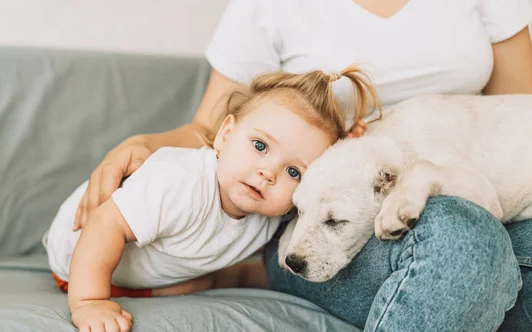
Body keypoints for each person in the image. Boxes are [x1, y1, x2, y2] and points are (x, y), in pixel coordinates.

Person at [73, 1, 532, 331]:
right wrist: (144, 144)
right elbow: (215, 128)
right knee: (465, 243)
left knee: (492, 256)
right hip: (341, 213)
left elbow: (517, 113)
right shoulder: (269, 7)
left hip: (473, 183)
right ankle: (269, 267)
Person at [44, 66, 379, 332]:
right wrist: (89, 302)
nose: (268, 173)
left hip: (148, 270)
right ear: (225, 135)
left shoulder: (272, 213)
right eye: (260, 146)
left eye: (294, 172)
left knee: (201, 284)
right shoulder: (180, 180)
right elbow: (103, 225)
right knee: (115, 255)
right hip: (77, 255)